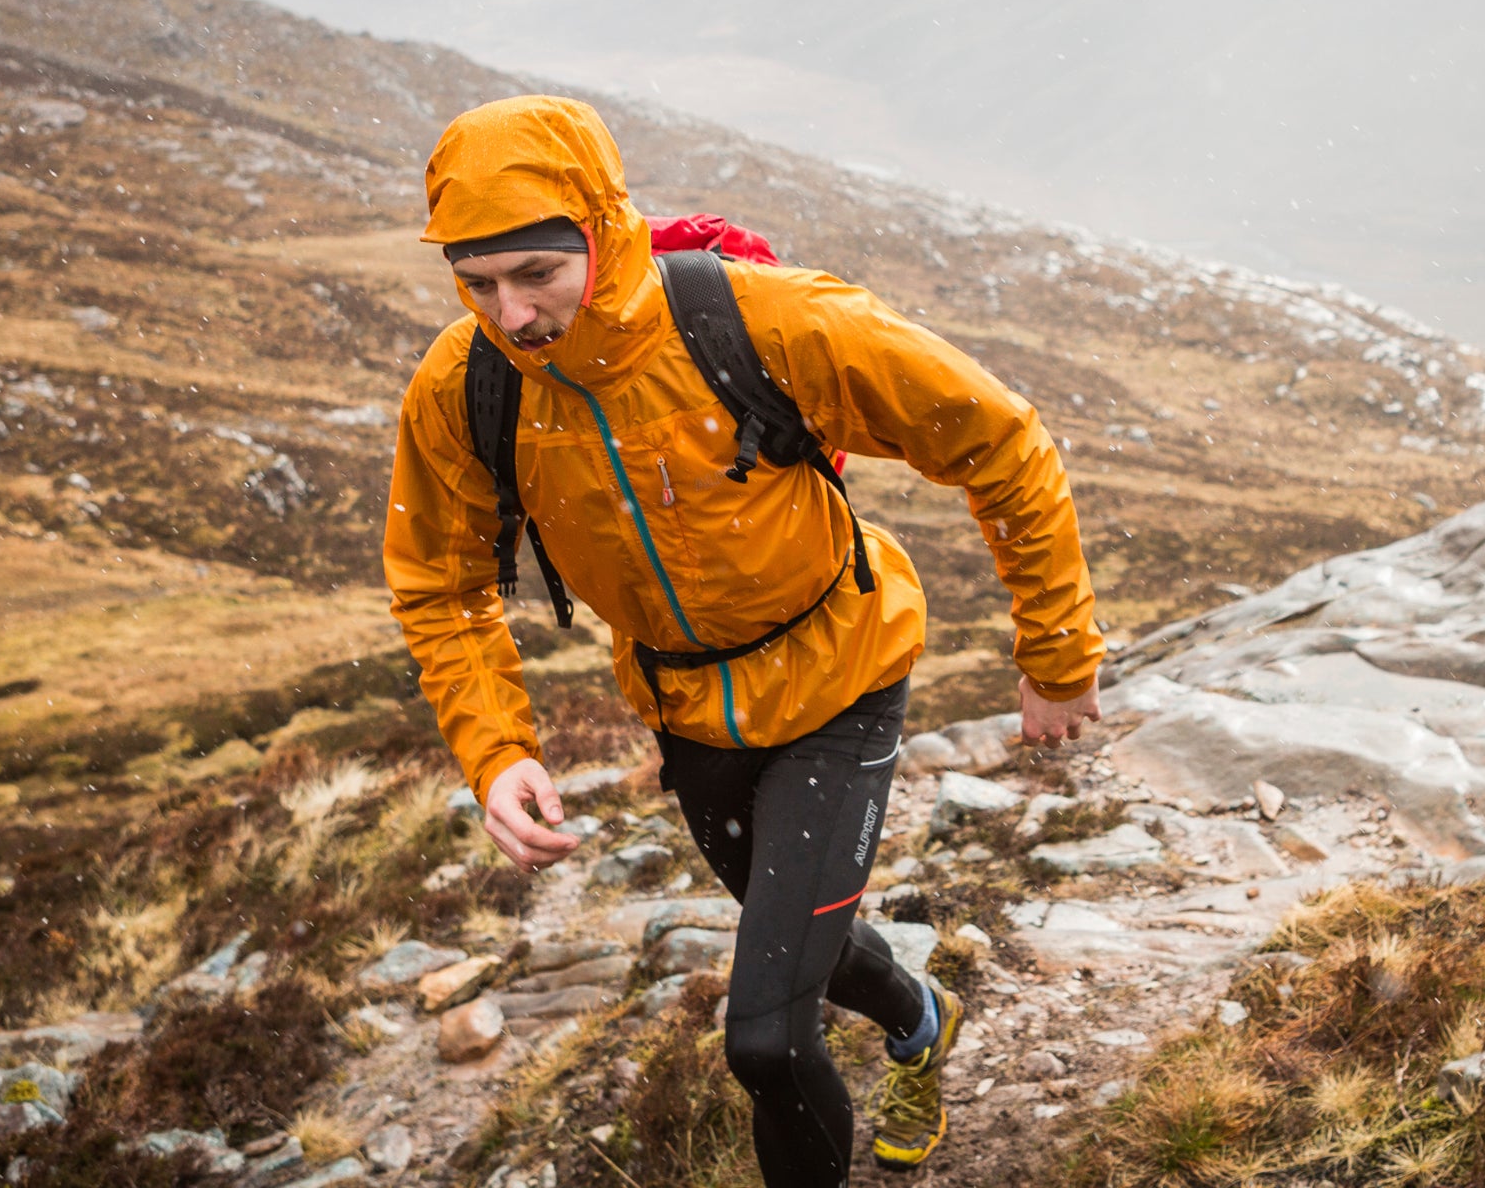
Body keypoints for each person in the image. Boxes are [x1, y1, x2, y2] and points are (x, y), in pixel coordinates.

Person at [383, 95, 1105, 1185]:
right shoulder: (466, 385)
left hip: (840, 677)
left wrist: (1055, 655)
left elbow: (1000, 439)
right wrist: (497, 747)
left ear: (602, 227)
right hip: (687, 709)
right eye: (477, 283)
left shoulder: (762, 322)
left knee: (765, 1035)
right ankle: (922, 1020)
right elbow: (441, 586)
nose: (513, 312)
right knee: (798, 939)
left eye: (538, 273)